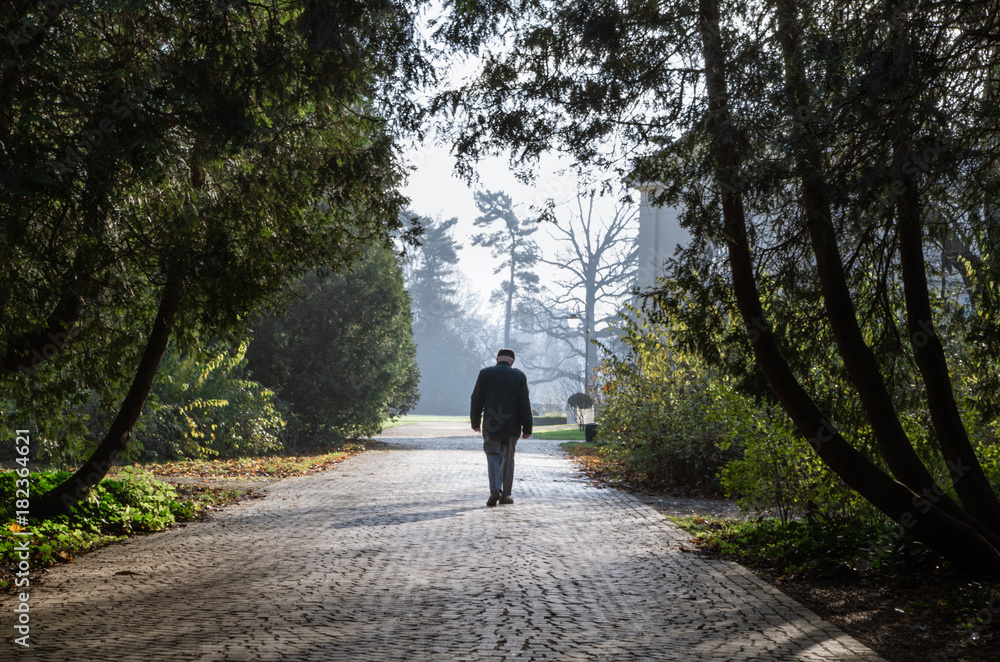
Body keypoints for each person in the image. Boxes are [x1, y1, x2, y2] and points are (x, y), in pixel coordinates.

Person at [470, 348, 532, 507]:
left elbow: (476, 399)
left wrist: (475, 422)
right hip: (512, 426)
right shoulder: (519, 376)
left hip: (491, 424)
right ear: (513, 361)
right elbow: (524, 402)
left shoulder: (485, 374)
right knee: (508, 460)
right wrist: (527, 428)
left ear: (497, 359)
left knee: (493, 457)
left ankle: (495, 490)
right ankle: (506, 494)